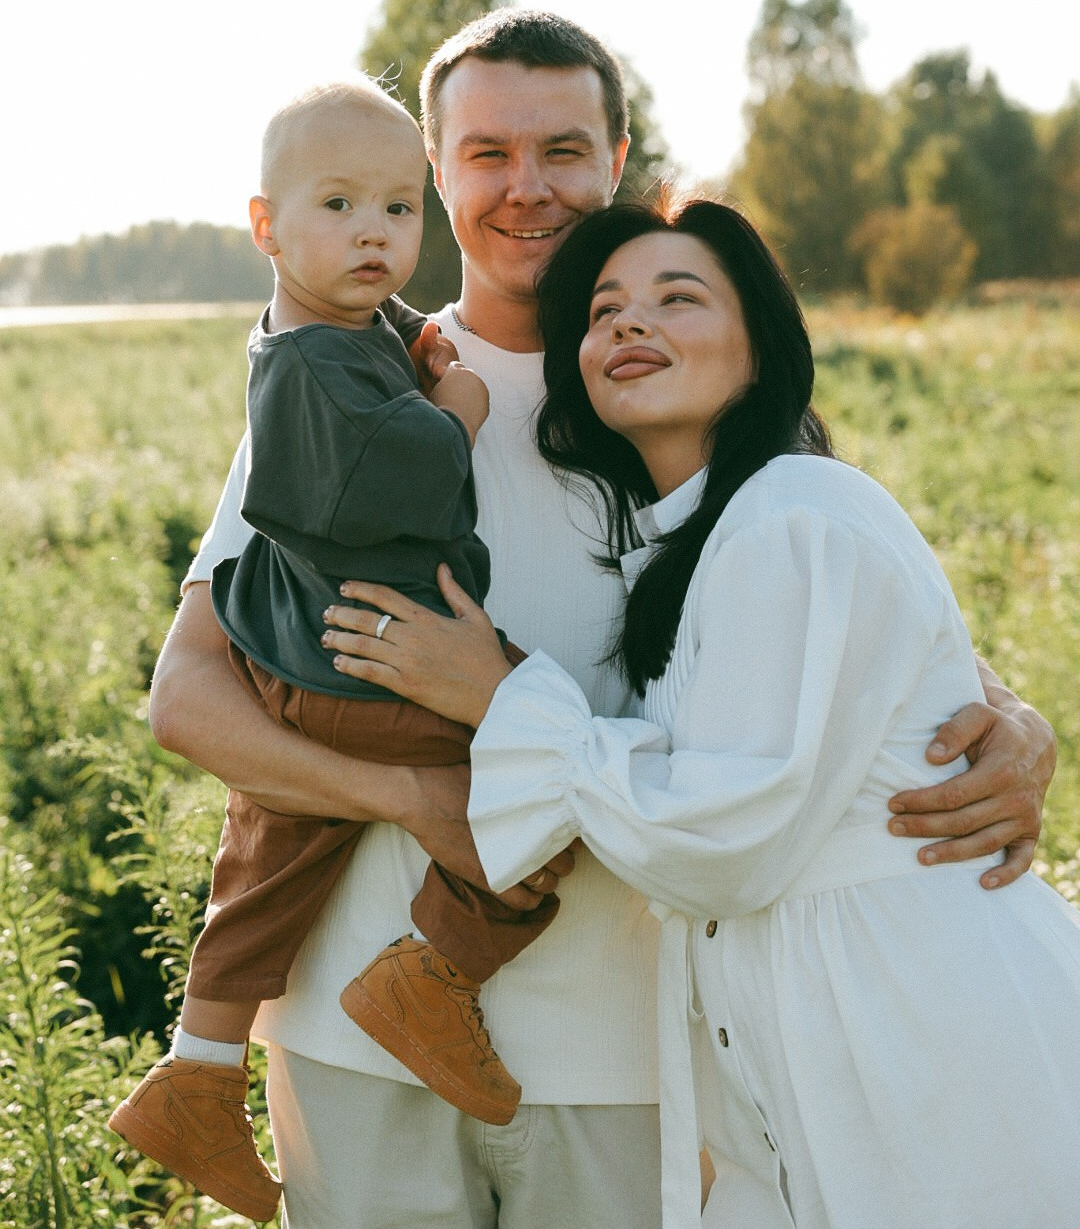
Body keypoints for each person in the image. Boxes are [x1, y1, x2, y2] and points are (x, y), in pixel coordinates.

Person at [150, 10, 1057, 1229]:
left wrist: (1010, 712)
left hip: (632, 1054)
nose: (528, 189)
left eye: (564, 151)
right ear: (435, 169)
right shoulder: (359, 385)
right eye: (486, 155)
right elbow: (188, 696)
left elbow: (839, 613)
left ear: (617, 157)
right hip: (356, 1038)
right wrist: (413, 799)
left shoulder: (673, 388)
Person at [331, 193, 1080, 1229]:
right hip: (825, 1035)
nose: (629, 324)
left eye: (676, 299)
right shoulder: (695, 542)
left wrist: (500, 696)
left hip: (917, 1024)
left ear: (762, 352)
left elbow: (725, 835)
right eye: (602, 312)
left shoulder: (793, 513)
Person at [109, 79, 556, 1222]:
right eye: (342, 206)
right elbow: (396, 472)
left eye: (395, 211)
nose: (374, 234)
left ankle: (199, 1071)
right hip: (370, 661)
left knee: (278, 846)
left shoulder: (351, 330)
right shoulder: (308, 367)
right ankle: (434, 973)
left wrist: (415, 336)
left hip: (319, 662)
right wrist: (454, 406)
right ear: (266, 227)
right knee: (543, 795)